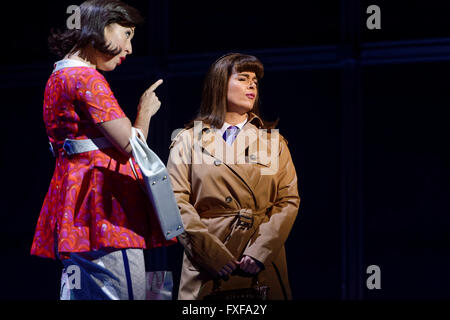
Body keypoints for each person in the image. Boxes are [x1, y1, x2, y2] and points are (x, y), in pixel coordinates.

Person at [30, 0, 175, 300]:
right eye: (126, 34)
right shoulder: (86, 78)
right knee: (124, 293)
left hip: (74, 210)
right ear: (101, 28)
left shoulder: (57, 77)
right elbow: (128, 144)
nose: (129, 48)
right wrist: (145, 112)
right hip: (104, 211)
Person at [167, 53, 300, 300]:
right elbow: (175, 202)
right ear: (219, 85)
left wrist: (261, 251)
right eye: (243, 78)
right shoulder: (188, 140)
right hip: (208, 263)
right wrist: (210, 254)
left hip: (259, 262)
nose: (252, 85)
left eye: (255, 81)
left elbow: (287, 201)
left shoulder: (271, 142)